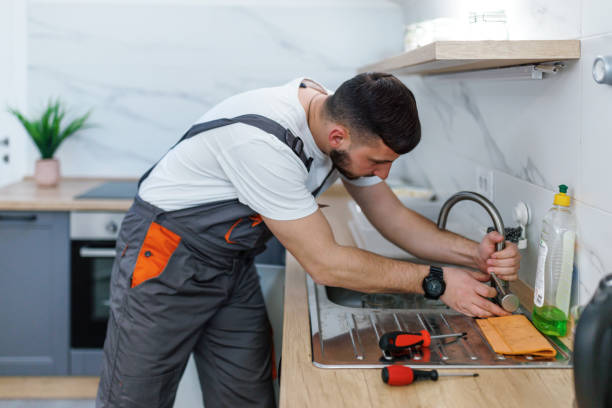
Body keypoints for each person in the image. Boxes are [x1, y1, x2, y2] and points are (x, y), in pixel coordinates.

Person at [96, 73, 520, 408]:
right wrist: (438, 280)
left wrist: (473, 254)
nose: (383, 174)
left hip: (230, 263)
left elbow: (391, 217)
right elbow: (326, 264)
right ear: (338, 138)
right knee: (136, 398)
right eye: (377, 162)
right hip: (167, 256)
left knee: (246, 396)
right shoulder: (263, 143)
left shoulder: (341, 117)